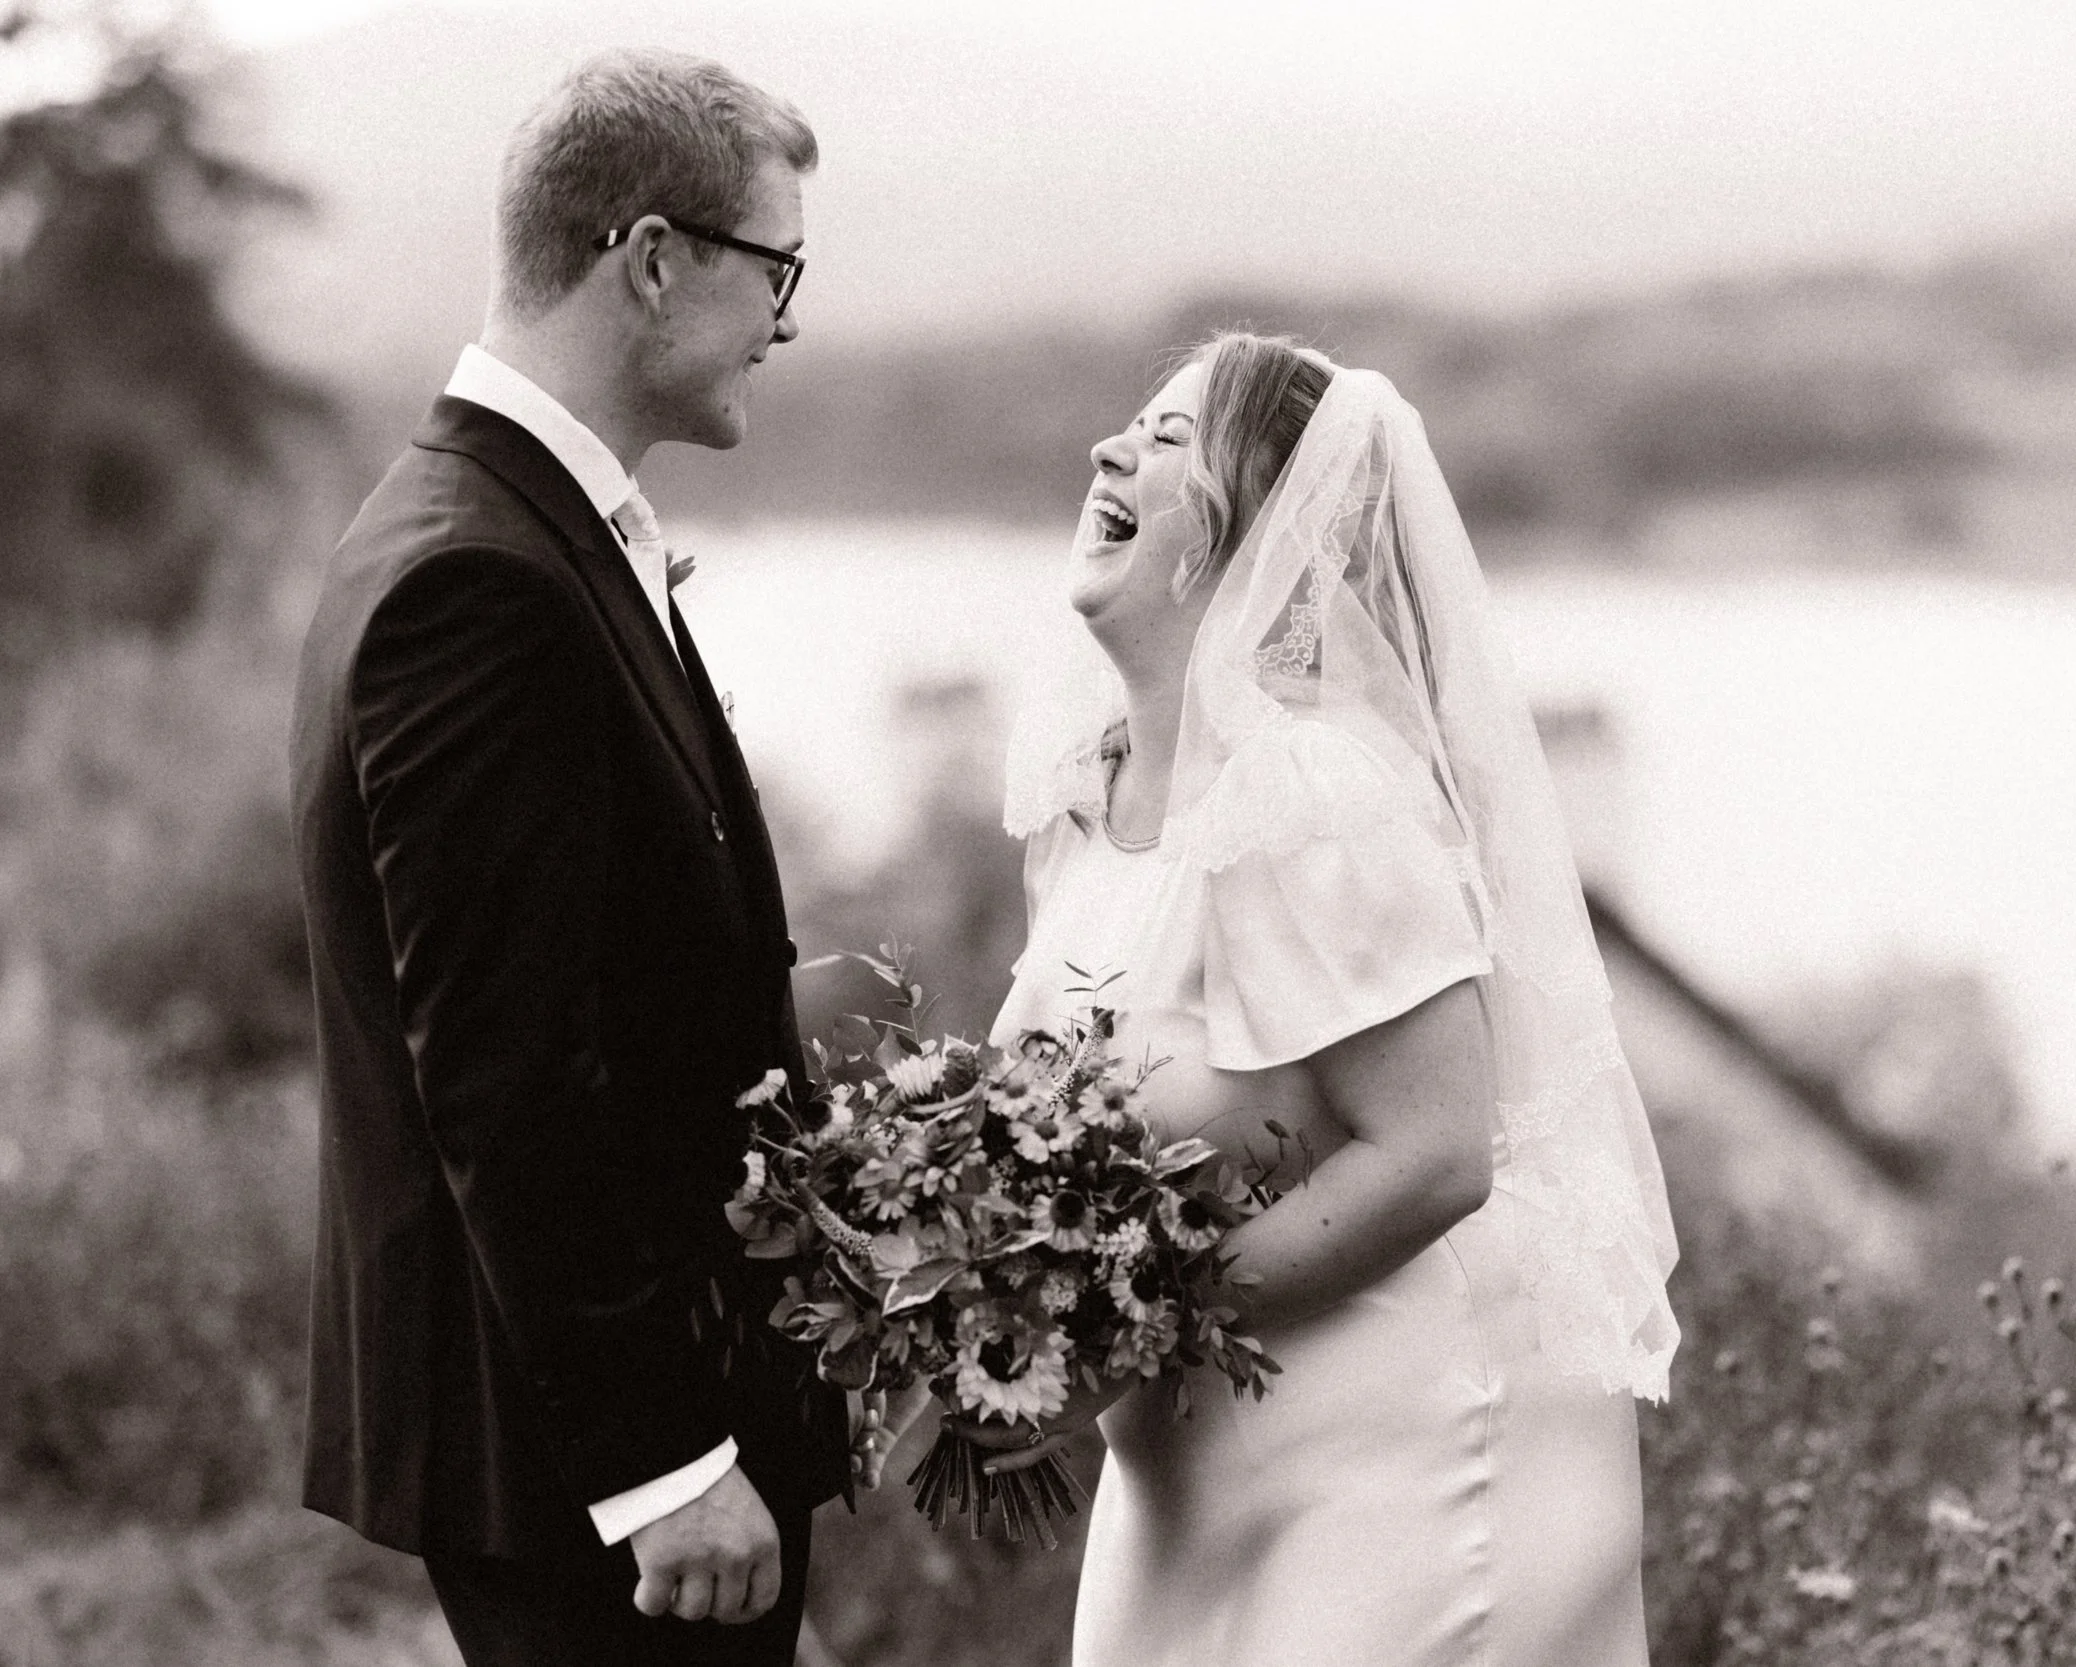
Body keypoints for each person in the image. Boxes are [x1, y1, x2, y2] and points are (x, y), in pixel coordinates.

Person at [981, 333, 1683, 1664]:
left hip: (1400, 1437)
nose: (1110, 450)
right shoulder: (1081, 804)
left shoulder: (1316, 795)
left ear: (1263, 529)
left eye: (1174, 439)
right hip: (1193, 1448)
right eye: (1132, 423)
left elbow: (1435, 1151)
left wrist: (1124, 1317)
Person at [290, 50, 846, 1666]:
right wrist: (661, 1468)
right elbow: (506, 1074)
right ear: (654, 256)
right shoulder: (483, 580)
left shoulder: (503, 523)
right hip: (592, 1466)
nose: (789, 319)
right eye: (777, 268)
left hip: (613, 1432)